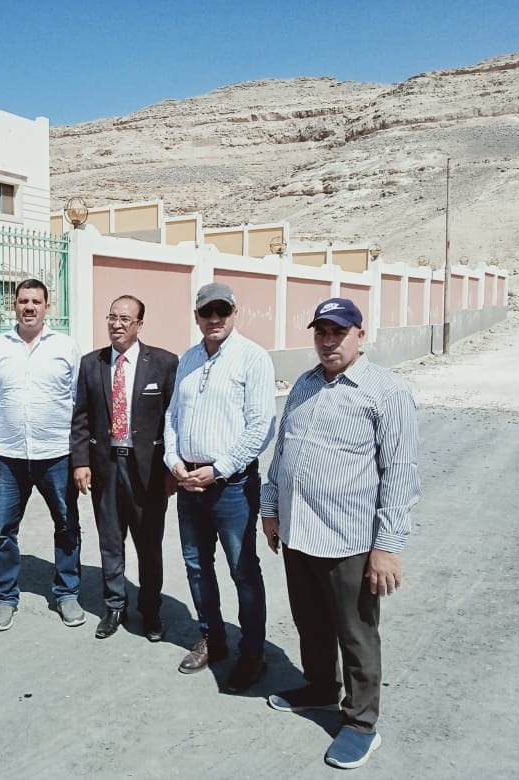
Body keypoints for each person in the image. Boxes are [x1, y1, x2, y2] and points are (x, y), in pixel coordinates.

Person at [260, 297, 420, 770]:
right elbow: (283, 452)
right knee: (310, 622)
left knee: (356, 633)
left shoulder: (387, 391)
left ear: (360, 335)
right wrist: (271, 509)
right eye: (321, 332)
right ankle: (320, 688)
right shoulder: (305, 384)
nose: (328, 342)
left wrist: (387, 546)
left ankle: (360, 723)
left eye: (339, 332)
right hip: (299, 532)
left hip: (350, 539)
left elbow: (401, 472)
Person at [164, 282, 276, 691]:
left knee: (242, 570)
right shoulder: (189, 359)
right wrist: (174, 461)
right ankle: (213, 638)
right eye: (207, 312)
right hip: (189, 484)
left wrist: (220, 469)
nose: (214, 319)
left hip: (231, 486)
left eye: (221, 311)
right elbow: (173, 417)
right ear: (196, 315)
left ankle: (252, 652)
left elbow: (260, 427)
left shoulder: (253, 358)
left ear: (233, 313)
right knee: (197, 566)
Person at [0, 279, 84, 632]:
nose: (29, 307)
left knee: (66, 526)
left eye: (36, 301)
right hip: (7, 457)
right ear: (14, 305)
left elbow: (80, 406)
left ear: (47, 306)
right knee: (3, 530)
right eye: (23, 301)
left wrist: (82, 458)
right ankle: (5, 597)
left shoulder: (66, 347)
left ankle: (67, 593)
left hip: (57, 456)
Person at [71, 295, 178, 641]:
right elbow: (81, 417)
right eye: (112, 317)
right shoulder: (92, 363)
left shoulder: (163, 363)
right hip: (105, 467)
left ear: (139, 325)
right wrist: (81, 462)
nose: (116, 325)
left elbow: (173, 420)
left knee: (149, 544)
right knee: (110, 540)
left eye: (125, 319)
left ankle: (150, 610)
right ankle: (115, 605)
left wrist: (170, 469)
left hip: (147, 470)